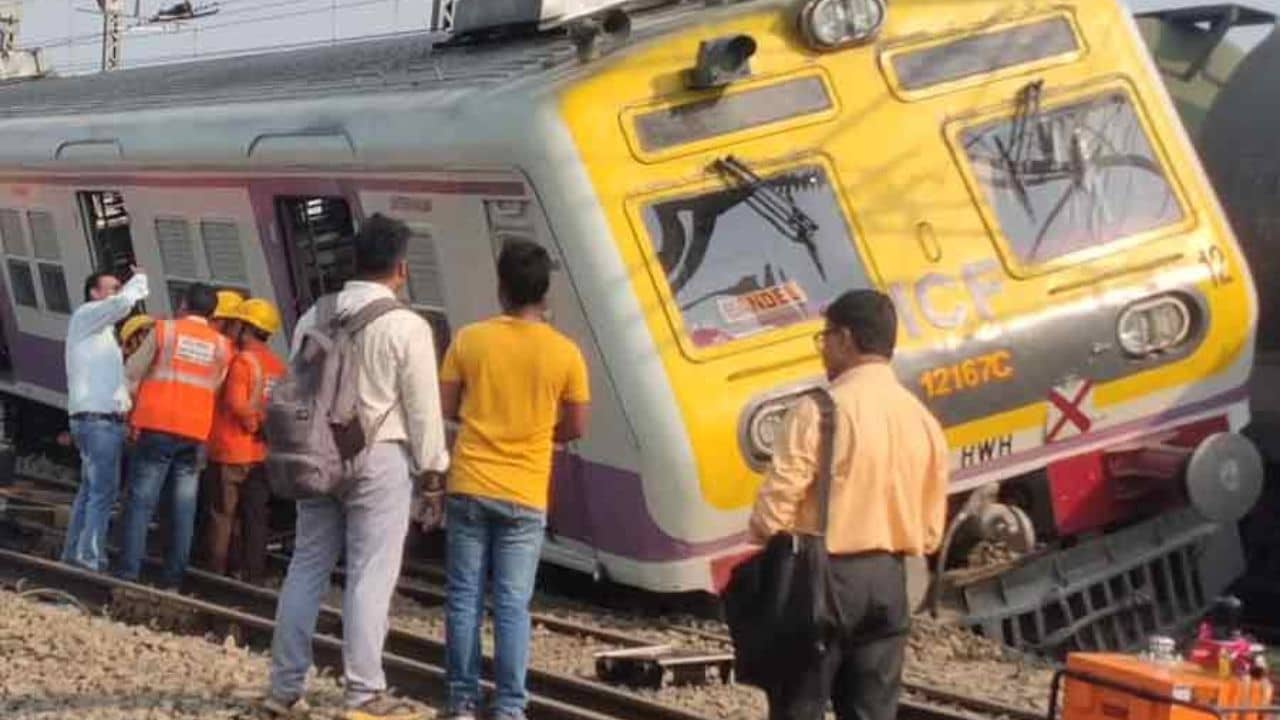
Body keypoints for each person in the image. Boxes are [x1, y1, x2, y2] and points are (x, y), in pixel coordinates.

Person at [267, 214, 448, 720]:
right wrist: (433, 473)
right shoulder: (407, 326)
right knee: (370, 574)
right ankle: (364, 692)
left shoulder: (314, 315)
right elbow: (423, 410)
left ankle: (284, 687)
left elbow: (299, 385)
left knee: (307, 566)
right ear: (401, 268)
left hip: (316, 454)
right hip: (379, 457)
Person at [747, 289, 949, 720]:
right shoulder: (922, 419)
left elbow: (771, 515)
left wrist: (769, 540)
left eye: (825, 338)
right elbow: (932, 531)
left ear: (845, 338)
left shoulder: (819, 411)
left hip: (822, 578)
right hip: (890, 582)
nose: (823, 350)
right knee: (872, 712)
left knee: (799, 707)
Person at [438, 239, 590, 720]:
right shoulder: (565, 353)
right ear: (544, 293)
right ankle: (508, 706)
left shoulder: (469, 340)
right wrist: (540, 435)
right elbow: (576, 426)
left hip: (470, 483)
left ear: (501, 287)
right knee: (511, 604)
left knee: (464, 597)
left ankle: (462, 700)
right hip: (525, 492)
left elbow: (446, 407)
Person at [116, 282, 233, 588]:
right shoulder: (223, 347)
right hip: (195, 432)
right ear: (212, 313)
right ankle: (173, 580)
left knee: (141, 502)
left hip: (156, 425)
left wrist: (132, 409)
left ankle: (128, 573)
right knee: (184, 507)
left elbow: (132, 372)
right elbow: (215, 386)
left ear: (183, 304)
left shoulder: (165, 331)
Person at [61, 268, 150, 572]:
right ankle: (90, 559)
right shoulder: (86, 316)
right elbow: (121, 304)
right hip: (97, 421)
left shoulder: (103, 334)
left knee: (90, 491)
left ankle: (73, 552)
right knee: (103, 493)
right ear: (94, 293)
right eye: (111, 288)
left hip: (97, 420)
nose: (117, 292)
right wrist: (138, 281)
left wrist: (125, 405)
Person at [204, 298, 285, 583]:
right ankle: (253, 574)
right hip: (260, 457)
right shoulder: (277, 366)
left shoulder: (242, 361)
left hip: (230, 452)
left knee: (222, 516)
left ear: (246, 327)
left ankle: (216, 574)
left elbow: (236, 404)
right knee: (255, 518)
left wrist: (252, 424)